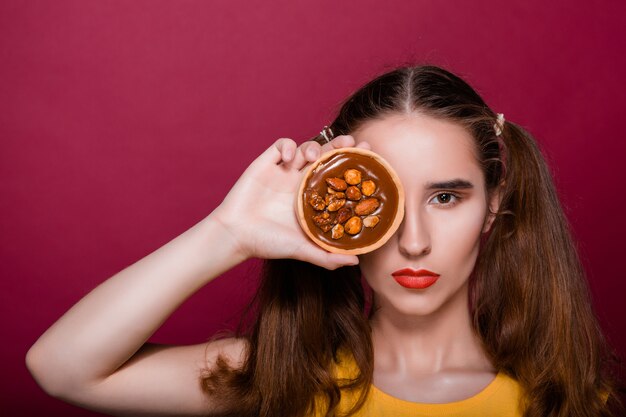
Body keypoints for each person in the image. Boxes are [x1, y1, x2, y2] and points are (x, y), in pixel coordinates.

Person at [26, 65, 623, 417]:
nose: (412, 242)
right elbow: (63, 369)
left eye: (446, 198)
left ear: (492, 206)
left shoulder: (573, 402)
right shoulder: (279, 379)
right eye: (384, 202)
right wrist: (227, 233)